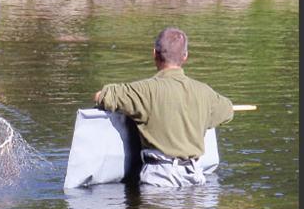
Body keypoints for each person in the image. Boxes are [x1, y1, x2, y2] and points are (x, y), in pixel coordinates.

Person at [94, 27, 233, 187]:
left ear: (154, 54)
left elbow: (102, 96)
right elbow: (228, 110)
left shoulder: (143, 91)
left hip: (159, 179)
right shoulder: (205, 92)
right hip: (195, 178)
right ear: (185, 56)